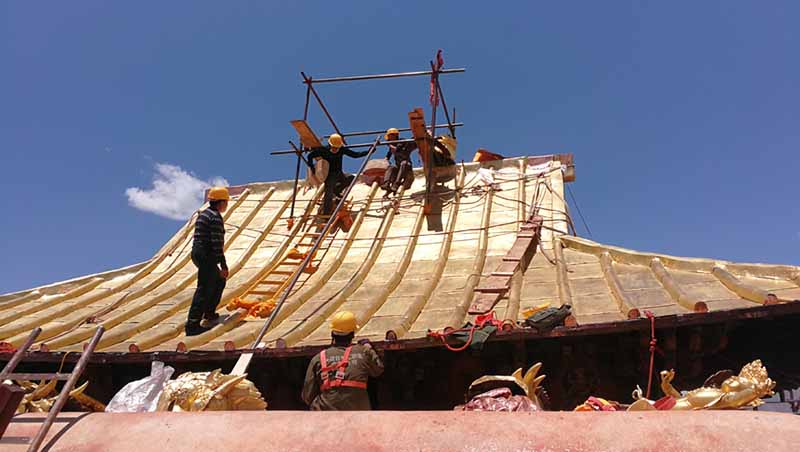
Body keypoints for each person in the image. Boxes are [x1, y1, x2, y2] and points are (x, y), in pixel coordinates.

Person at [301, 311, 384, 410]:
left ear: (332, 334)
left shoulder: (319, 358)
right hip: (359, 414)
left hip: (326, 414)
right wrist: (368, 347)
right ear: (352, 334)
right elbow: (378, 370)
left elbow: (307, 396)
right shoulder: (363, 352)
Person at [185, 186, 229, 336]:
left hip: (198, 252)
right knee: (204, 288)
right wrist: (223, 265)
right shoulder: (215, 217)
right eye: (226, 202)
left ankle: (209, 312)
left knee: (218, 281)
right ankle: (192, 325)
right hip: (206, 254)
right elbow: (217, 243)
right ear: (221, 202)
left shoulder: (204, 214)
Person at [306, 134, 369, 216]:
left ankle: (337, 190)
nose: (336, 149)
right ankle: (326, 213)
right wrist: (312, 168)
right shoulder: (323, 150)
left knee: (352, 178)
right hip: (329, 175)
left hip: (339, 173)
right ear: (330, 145)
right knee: (328, 194)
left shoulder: (342, 149)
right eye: (334, 147)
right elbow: (310, 156)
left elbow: (355, 155)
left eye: (337, 147)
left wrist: (368, 151)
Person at [382, 127, 418, 196]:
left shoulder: (401, 141)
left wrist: (389, 144)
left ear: (394, 135)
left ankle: (396, 185)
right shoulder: (392, 145)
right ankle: (386, 184)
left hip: (406, 166)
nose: (389, 138)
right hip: (399, 167)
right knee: (391, 167)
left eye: (390, 136)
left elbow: (397, 149)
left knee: (404, 163)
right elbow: (387, 157)